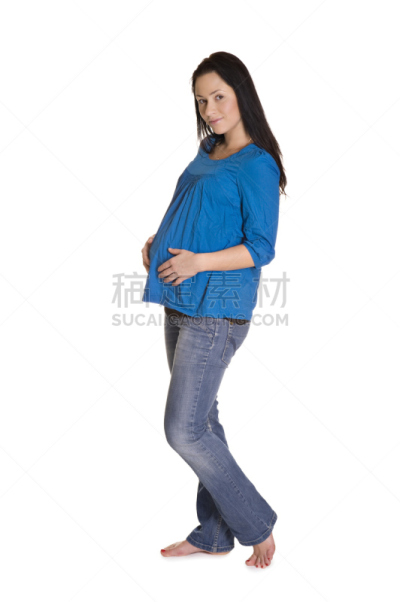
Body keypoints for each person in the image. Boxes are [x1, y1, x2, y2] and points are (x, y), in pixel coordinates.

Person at [141, 52, 287, 569]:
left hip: (217, 307)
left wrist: (197, 260)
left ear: (241, 94)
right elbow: (198, 210)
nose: (210, 110)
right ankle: (214, 533)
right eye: (202, 101)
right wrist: (160, 242)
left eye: (219, 97)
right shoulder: (210, 149)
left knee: (183, 430)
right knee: (202, 420)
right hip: (180, 297)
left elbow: (260, 247)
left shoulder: (257, 163)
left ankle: (256, 524)